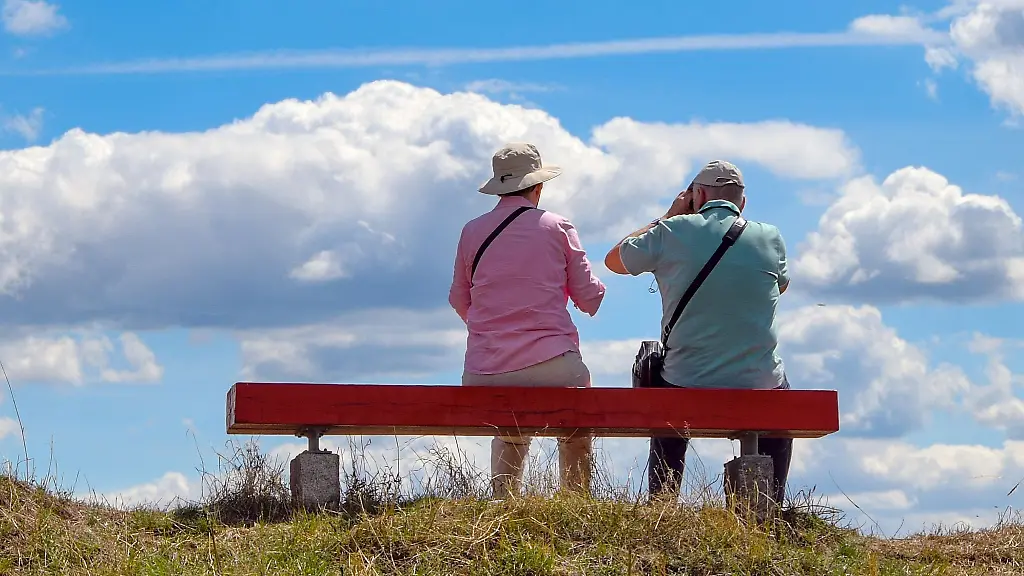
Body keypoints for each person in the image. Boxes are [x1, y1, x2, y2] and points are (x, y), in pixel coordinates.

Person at [603, 159, 793, 505]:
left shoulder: (673, 230)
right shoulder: (771, 236)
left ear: (698, 194)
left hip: (687, 379)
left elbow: (615, 260)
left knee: (662, 381)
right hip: (758, 381)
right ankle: (770, 506)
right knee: (780, 390)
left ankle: (663, 503)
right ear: (742, 203)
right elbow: (780, 287)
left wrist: (669, 215)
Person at [449, 142, 607, 499]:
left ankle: (505, 502)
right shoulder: (557, 226)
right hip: (552, 363)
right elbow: (589, 298)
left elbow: (459, 298)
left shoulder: (472, 231)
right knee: (577, 424)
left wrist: (492, 331)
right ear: (538, 186)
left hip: (483, 369)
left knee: (509, 427)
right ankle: (575, 501)